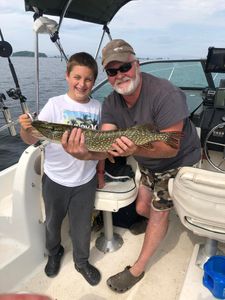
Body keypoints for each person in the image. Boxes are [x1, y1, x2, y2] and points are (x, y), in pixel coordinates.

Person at [98, 39, 201, 293]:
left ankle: (137, 268)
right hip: (147, 163)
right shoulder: (111, 102)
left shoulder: (165, 94)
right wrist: (85, 150)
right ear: (108, 76)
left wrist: (134, 149)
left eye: (125, 67)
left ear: (137, 65)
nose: (120, 75)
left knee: (156, 212)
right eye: (112, 71)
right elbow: (105, 137)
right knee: (141, 207)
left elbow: (171, 147)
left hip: (179, 161)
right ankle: (164, 217)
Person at [19, 52, 107, 286]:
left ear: (94, 81)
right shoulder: (55, 104)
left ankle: (81, 261)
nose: (82, 83)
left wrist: (99, 173)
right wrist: (27, 127)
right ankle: (54, 251)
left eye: (88, 79)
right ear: (67, 76)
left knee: (82, 226)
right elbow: (31, 138)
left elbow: (102, 148)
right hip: (55, 180)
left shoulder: (98, 107)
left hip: (85, 181)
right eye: (77, 77)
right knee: (52, 222)